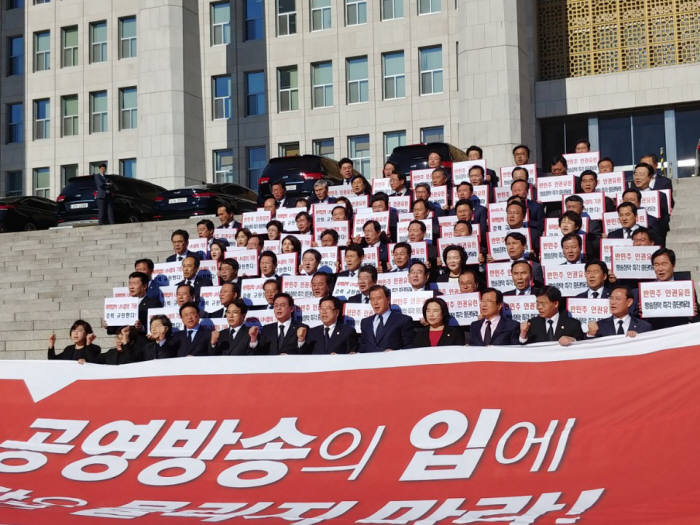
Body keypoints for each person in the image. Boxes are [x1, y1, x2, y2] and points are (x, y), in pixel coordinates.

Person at [646, 248, 699, 330]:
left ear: (673, 265)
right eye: (656, 265)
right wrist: (643, 312)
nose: (660, 269)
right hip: (656, 333)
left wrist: (692, 313)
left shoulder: (685, 287)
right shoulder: (646, 290)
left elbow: (696, 318)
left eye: (664, 264)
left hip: (680, 333)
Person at [519, 286, 585, 345]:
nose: (539, 307)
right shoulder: (532, 324)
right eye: (538, 303)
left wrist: (573, 340)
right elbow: (522, 349)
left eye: (543, 304)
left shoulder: (573, 324)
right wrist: (523, 335)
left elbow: (583, 344)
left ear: (556, 304)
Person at [359, 285, 414, 353]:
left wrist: (395, 353)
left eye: (379, 298)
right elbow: (363, 347)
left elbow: (409, 348)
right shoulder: (365, 322)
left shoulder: (403, 320)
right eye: (372, 299)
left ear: (388, 299)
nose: (375, 302)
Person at [588, 286, 652, 338]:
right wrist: (591, 334)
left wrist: (638, 338)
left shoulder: (644, 327)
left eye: (618, 299)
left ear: (629, 302)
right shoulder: (600, 325)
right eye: (611, 298)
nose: (613, 302)